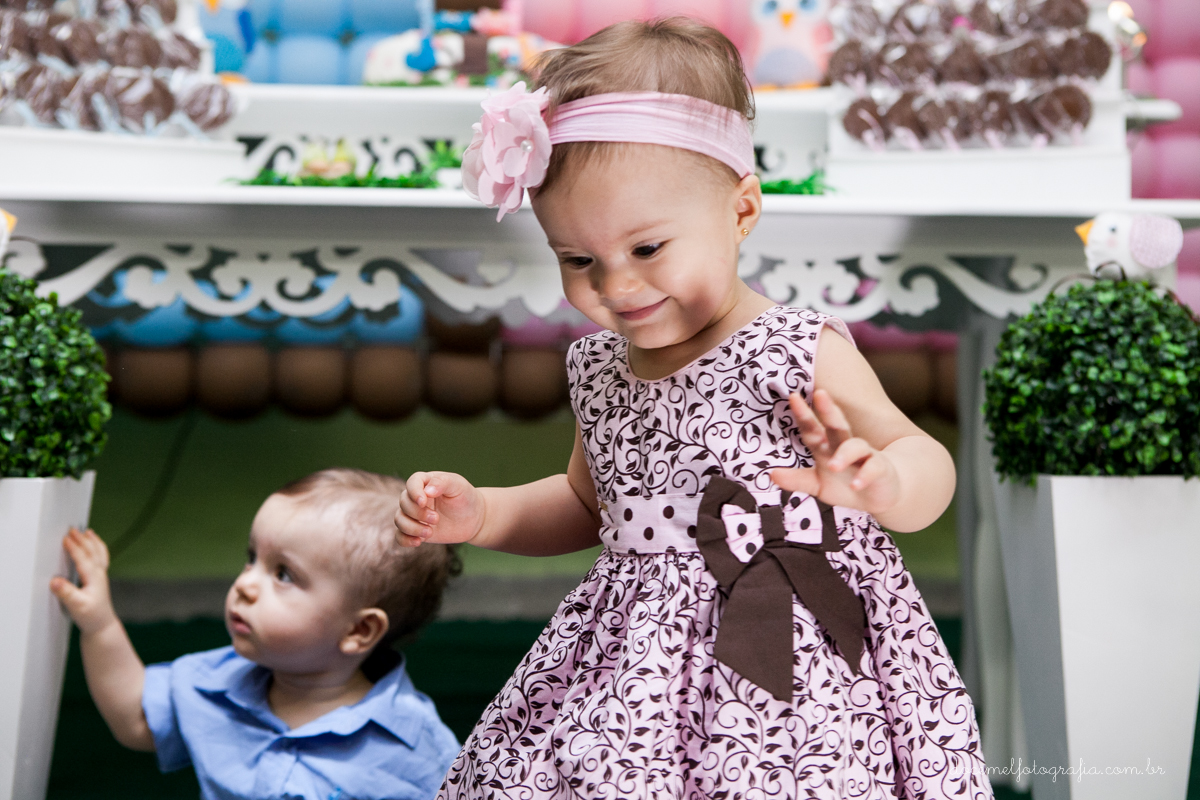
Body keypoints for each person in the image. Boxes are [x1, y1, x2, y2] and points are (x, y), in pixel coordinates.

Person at [397, 17, 992, 800]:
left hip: (790, 651)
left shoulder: (792, 349)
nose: (616, 287)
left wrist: (881, 484)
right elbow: (588, 503)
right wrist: (485, 515)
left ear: (741, 212)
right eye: (579, 260)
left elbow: (927, 461)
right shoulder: (600, 368)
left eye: (647, 249)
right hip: (635, 660)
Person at [52, 468, 462, 800]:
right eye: (252, 559)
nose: (246, 584)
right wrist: (100, 625)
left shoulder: (415, 744)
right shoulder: (214, 683)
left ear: (359, 629)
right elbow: (136, 718)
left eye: (283, 574)